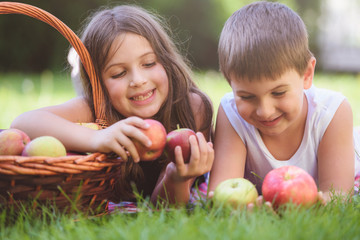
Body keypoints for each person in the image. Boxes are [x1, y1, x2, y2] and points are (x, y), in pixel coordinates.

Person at [11, 5, 214, 207]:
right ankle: (79, 68)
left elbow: (165, 208)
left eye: (149, 63)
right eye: (118, 73)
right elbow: (22, 123)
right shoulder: (95, 110)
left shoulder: (192, 108)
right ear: (98, 83)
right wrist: (96, 137)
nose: (138, 80)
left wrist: (176, 178)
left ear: (167, 62)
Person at [208, 1, 360, 204]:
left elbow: (339, 197)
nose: (265, 111)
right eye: (246, 97)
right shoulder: (231, 111)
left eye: (278, 93)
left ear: (307, 74)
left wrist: (303, 205)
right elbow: (221, 192)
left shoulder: (332, 112)